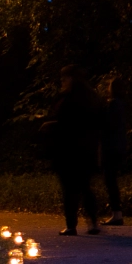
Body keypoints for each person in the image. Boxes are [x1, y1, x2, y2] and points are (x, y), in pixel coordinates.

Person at [43, 68, 102, 236]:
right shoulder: (91, 98)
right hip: (84, 148)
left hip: (69, 148)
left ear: (74, 78)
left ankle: (72, 225)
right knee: (84, 186)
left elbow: (66, 122)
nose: (62, 80)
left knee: (71, 188)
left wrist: (52, 125)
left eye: (65, 77)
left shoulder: (69, 99)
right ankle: (92, 223)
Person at [98, 74, 131, 226]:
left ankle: (116, 213)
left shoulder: (112, 104)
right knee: (111, 180)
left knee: (110, 180)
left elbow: (106, 125)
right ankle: (117, 213)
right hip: (119, 145)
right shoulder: (122, 104)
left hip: (110, 147)